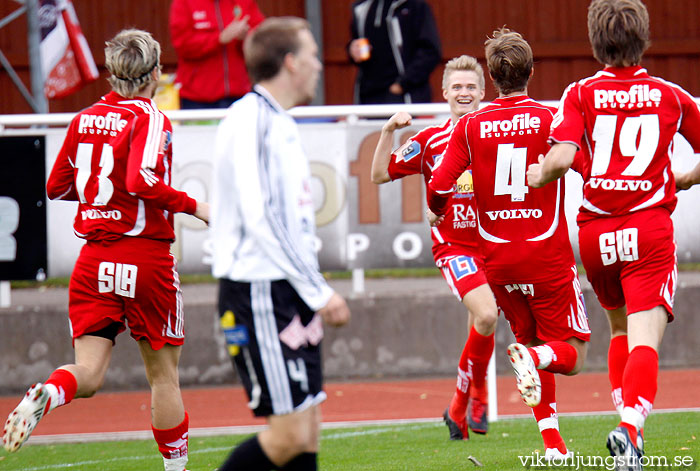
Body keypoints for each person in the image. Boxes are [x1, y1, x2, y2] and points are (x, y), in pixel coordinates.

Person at [1, 29, 209, 471]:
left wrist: (104, 196)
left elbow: (57, 187)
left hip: (94, 260)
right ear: (155, 72)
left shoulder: (84, 119)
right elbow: (139, 181)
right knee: (163, 377)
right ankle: (177, 469)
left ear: (112, 74)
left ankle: (49, 393)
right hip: (144, 256)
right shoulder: (151, 117)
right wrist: (196, 206)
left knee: (89, 374)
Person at [527, 0, 700, 467]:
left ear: (594, 40)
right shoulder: (670, 96)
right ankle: (629, 430)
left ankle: (631, 442)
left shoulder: (579, 92)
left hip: (596, 233)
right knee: (645, 337)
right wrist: (685, 178)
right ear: (644, 37)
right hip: (647, 228)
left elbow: (560, 160)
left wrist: (539, 176)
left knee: (619, 329)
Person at [427, 28, 591, 461]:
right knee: (571, 354)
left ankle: (554, 447)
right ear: (531, 72)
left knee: (532, 345)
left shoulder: (470, 126)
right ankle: (535, 360)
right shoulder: (551, 118)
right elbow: (583, 166)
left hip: (498, 262)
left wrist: (436, 207)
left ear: (492, 80)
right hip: (547, 258)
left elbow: (439, 184)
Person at [210, 17, 351, 471]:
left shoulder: (280, 121)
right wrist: (317, 290)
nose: (318, 65)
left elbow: (288, 221)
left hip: (285, 290)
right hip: (259, 291)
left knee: (307, 435)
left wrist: (309, 285)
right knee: (288, 436)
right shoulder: (251, 119)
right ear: (290, 62)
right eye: (311, 54)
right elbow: (262, 217)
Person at [370, 55, 497, 440]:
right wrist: (389, 130)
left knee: (482, 322)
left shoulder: (496, 133)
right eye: (456, 87)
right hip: (455, 247)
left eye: (470, 86)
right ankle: (473, 400)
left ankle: (459, 405)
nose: (464, 92)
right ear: (444, 94)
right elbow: (378, 174)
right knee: (488, 317)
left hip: (494, 247)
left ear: (482, 92)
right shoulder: (430, 141)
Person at [169, 0, 265, 109]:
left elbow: (261, 39)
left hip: (240, 95)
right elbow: (182, 45)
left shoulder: (244, 2)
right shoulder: (184, 3)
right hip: (197, 99)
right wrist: (218, 39)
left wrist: (245, 37)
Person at [348, 0, 441, 104]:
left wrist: (402, 84)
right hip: (368, 95)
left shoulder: (415, 5)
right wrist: (352, 50)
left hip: (405, 96)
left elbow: (430, 51)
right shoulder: (361, 8)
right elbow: (356, 43)